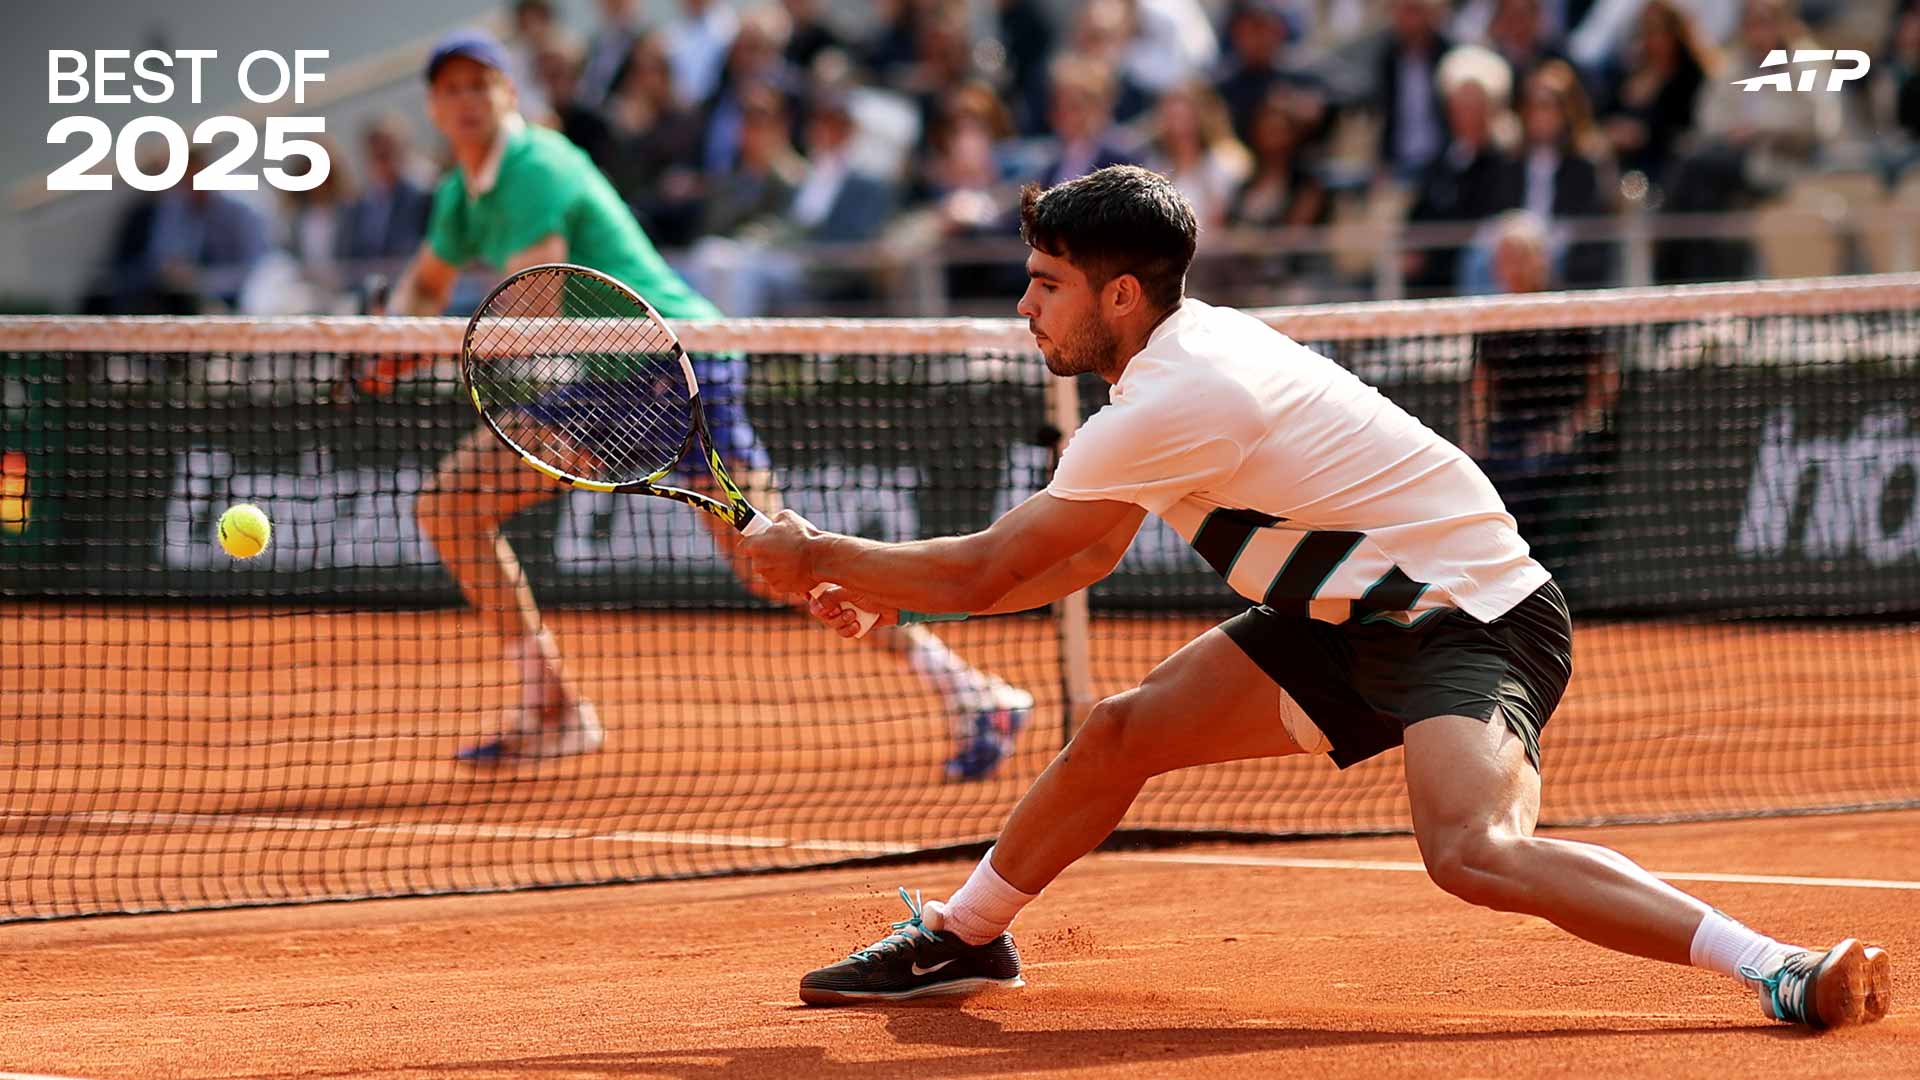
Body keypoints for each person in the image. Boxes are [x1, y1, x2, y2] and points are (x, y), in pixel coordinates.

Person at [735, 165, 1893, 1028]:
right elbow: (1074, 562)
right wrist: (868, 583)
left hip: (1468, 618)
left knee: (1474, 851)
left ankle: (1774, 965)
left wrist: (818, 554)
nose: (1025, 311)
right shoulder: (1166, 373)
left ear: (1122, 295)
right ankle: (965, 939)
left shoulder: (1178, 397)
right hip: (1342, 621)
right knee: (1120, 732)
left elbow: (993, 566)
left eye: (1045, 286)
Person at [376, 31, 1034, 775]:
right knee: (770, 563)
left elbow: (535, 305)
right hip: (623, 372)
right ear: (432, 105)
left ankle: (556, 708)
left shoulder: (536, 165)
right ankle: (973, 691)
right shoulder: (464, 194)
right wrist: (384, 335)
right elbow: (425, 287)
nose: (465, 100)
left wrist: (414, 346)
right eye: (451, 88)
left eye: (479, 84)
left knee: (456, 504)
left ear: (509, 94)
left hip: (663, 360)